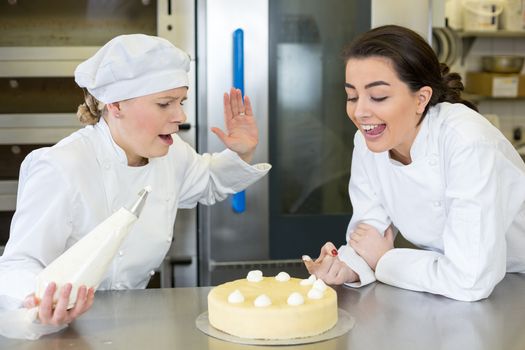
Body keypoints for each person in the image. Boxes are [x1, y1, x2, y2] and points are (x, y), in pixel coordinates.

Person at [0, 34, 270, 334]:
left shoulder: (171, 153)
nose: (180, 116)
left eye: (181, 102)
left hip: (131, 323)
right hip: (57, 329)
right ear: (115, 105)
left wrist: (241, 151)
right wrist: (40, 303)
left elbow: (208, 181)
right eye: (164, 103)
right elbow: (19, 262)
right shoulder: (61, 166)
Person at [303, 25, 525, 302]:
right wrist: (346, 265)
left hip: (513, 282)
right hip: (451, 285)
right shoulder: (368, 142)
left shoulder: (466, 141)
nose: (359, 112)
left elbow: (470, 280)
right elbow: (369, 234)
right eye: (352, 96)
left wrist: (385, 260)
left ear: (421, 98)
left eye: (378, 96)